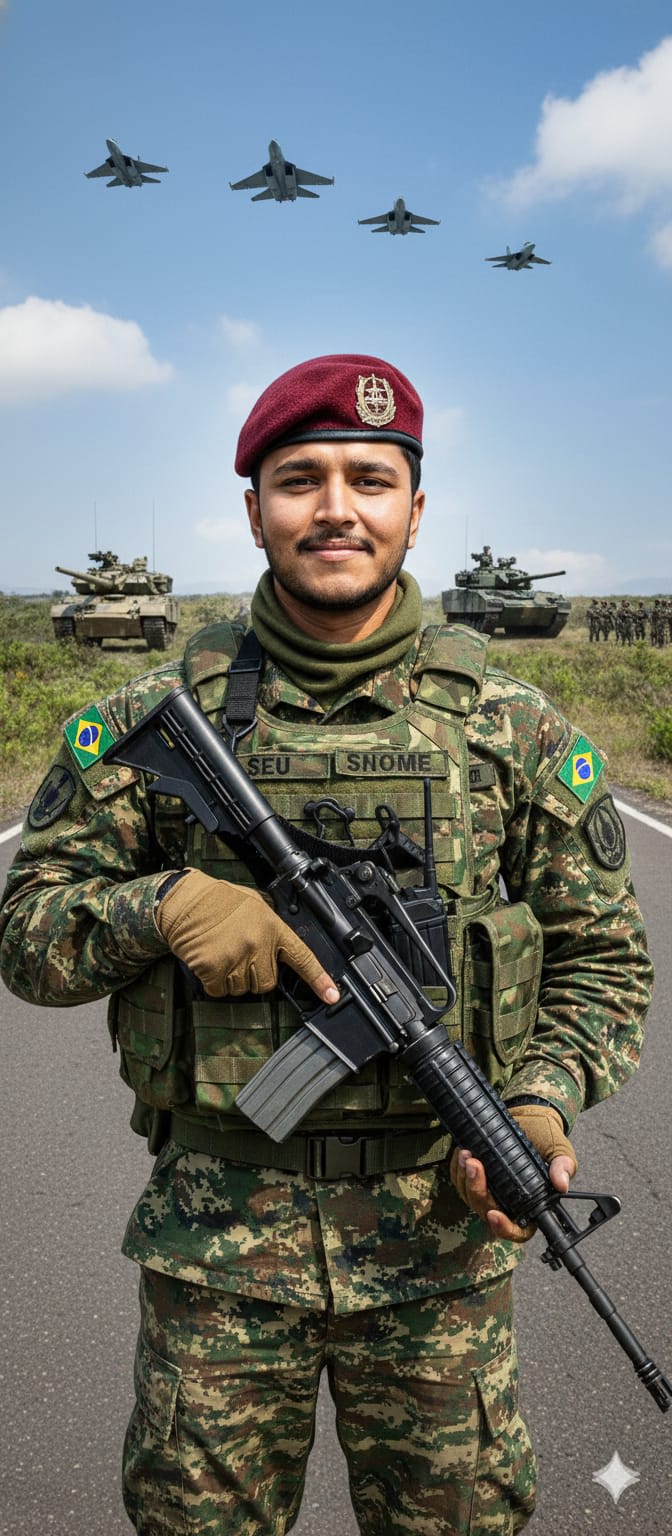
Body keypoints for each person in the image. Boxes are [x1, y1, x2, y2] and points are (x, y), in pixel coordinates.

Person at [0, 354, 653, 1536]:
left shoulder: (512, 728)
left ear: (416, 508)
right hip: (214, 1255)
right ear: (254, 509)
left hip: (441, 1263)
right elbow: (28, 934)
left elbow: (605, 959)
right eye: (300, 480)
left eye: (370, 477)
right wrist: (164, 907)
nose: (336, 508)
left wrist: (540, 1109)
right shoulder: (150, 718)